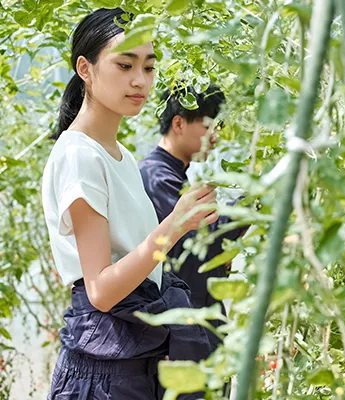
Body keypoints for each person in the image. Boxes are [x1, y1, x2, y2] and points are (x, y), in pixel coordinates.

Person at [42, 8, 219, 399]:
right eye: (124, 65)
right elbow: (101, 290)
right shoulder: (79, 156)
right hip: (105, 366)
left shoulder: (117, 153)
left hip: (131, 358)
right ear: (84, 69)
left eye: (149, 67)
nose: (140, 81)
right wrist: (175, 225)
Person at [139, 85, 247, 350]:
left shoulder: (172, 175)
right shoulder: (156, 178)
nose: (215, 138)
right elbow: (205, 237)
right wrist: (257, 197)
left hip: (196, 323)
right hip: (184, 332)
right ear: (179, 123)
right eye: (209, 127)